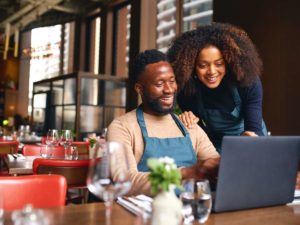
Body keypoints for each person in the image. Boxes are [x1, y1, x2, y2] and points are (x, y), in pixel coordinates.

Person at [107, 49, 220, 196]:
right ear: (139, 89)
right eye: (160, 83)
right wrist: (186, 173)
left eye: (172, 81)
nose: (169, 90)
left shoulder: (189, 124)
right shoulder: (122, 127)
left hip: (192, 209)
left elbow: (215, 166)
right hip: (145, 215)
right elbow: (124, 180)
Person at [167, 22, 268, 152]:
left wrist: (248, 139)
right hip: (217, 145)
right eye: (203, 65)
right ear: (191, 67)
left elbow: (254, 130)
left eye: (219, 64)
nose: (212, 72)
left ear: (228, 62)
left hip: (252, 141)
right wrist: (188, 122)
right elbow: (200, 136)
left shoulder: (247, 81)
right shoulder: (187, 90)